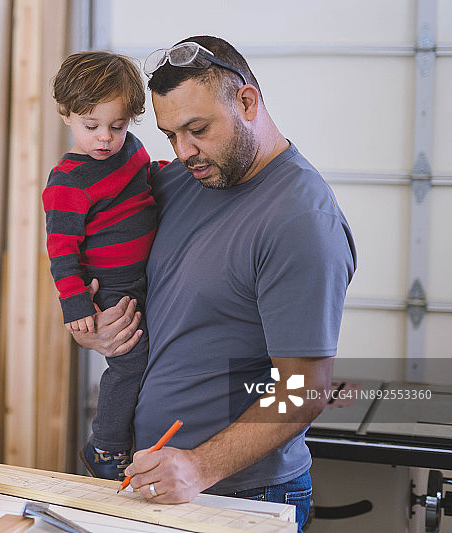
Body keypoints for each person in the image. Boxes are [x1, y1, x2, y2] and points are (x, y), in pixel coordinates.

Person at [70, 36, 356, 531]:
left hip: (241, 493)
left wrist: (199, 466)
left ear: (247, 101)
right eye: (170, 135)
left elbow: (306, 387)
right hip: (153, 482)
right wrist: (91, 326)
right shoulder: (184, 179)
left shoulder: (300, 221)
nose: (184, 152)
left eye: (197, 129)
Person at [43, 51, 166, 480]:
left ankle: (132, 441)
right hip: (111, 287)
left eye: (117, 126)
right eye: (90, 126)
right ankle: (106, 446)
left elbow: (148, 177)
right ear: (65, 114)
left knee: (152, 357)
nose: (105, 138)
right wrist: (76, 305)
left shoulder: (131, 150)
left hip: (145, 276)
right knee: (130, 363)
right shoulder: (68, 183)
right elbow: (61, 250)